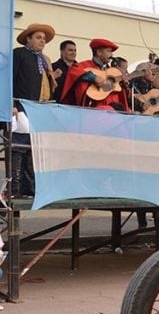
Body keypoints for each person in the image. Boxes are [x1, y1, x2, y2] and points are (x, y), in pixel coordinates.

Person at [12, 23, 57, 197]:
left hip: (37, 110)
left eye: (44, 39)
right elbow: (11, 78)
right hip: (20, 106)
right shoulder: (19, 54)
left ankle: (29, 189)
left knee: (33, 149)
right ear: (28, 39)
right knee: (18, 146)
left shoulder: (44, 60)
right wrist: (11, 103)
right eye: (38, 37)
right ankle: (14, 189)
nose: (42, 41)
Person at [60, 38, 129, 110]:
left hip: (113, 110)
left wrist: (123, 83)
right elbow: (74, 73)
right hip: (92, 109)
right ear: (99, 52)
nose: (111, 54)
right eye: (108, 51)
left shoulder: (112, 71)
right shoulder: (84, 65)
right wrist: (93, 77)